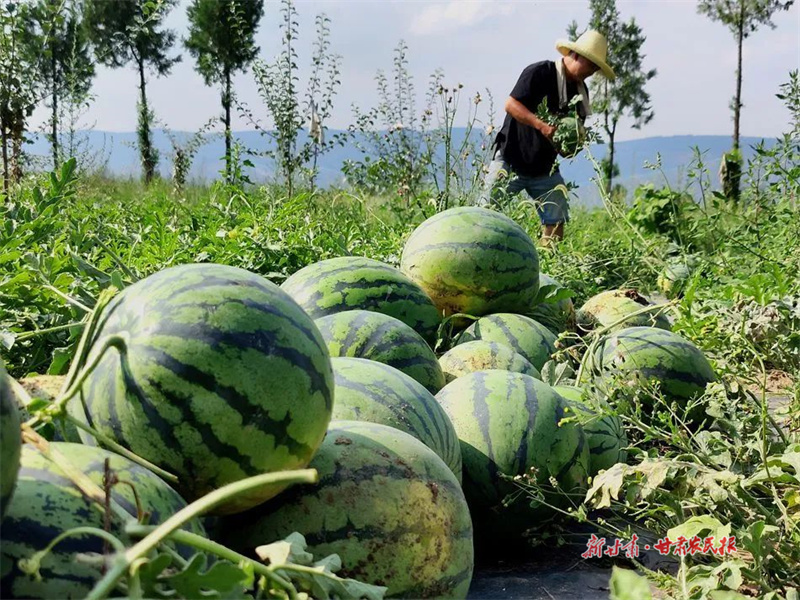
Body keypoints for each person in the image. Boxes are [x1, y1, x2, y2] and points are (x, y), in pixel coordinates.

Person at [477, 30, 616, 244]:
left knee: (556, 217)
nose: (591, 72)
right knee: (485, 213)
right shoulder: (540, 72)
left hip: (544, 168)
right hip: (511, 158)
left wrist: (570, 147)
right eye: (591, 66)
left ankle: (549, 261)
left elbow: (573, 134)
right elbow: (511, 105)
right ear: (577, 56)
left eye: (596, 68)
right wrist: (542, 126)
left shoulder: (580, 93)